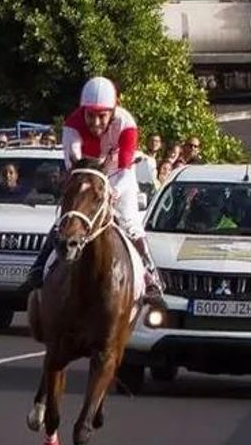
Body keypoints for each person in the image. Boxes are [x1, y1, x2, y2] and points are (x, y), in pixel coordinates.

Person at [22, 77, 163, 303]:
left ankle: (152, 279)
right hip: (87, 173)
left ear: (113, 111)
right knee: (66, 220)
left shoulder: (127, 125)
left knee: (131, 223)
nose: (95, 123)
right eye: (90, 115)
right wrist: (89, 186)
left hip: (118, 176)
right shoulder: (72, 124)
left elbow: (126, 167)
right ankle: (37, 269)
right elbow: (75, 163)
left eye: (102, 116)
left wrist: (110, 192)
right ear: (83, 111)